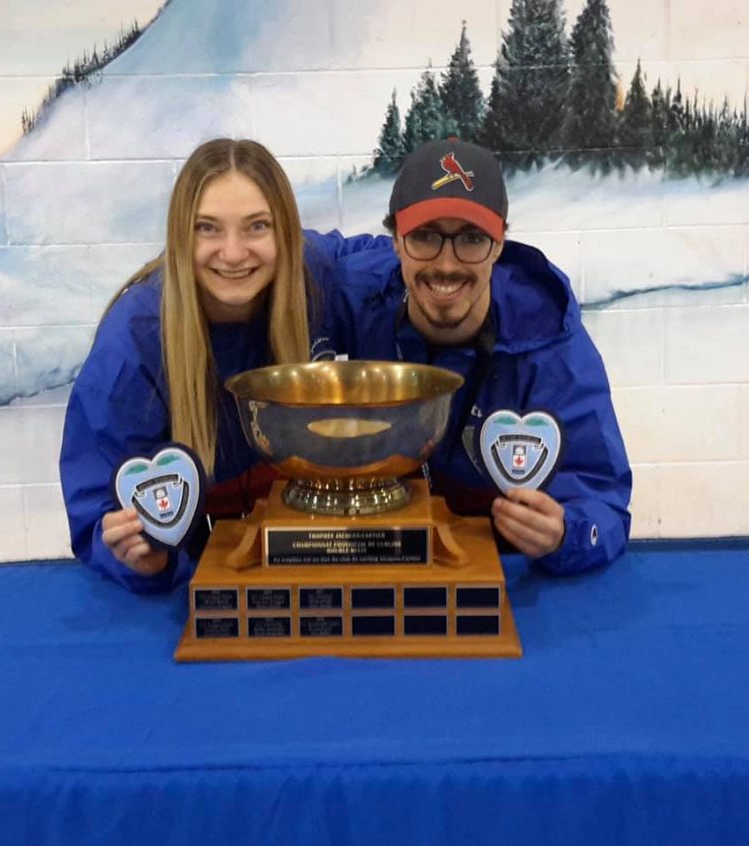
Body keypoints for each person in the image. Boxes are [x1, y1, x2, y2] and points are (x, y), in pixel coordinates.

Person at [60, 138, 381, 593]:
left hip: (307, 561)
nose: (233, 253)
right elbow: (99, 514)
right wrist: (142, 559)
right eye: (207, 228)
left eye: (256, 227)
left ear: (285, 232)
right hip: (196, 589)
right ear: (179, 236)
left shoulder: (310, 275)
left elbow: (398, 263)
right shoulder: (132, 344)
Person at [323, 138, 632, 573]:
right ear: (395, 241)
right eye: (425, 237)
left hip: (498, 573)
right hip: (379, 556)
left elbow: (604, 504)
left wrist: (566, 534)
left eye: (471, 239)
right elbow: (285, 251)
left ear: (500, 243)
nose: (446, 264)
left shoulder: (548, 341)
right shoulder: (360, 290)